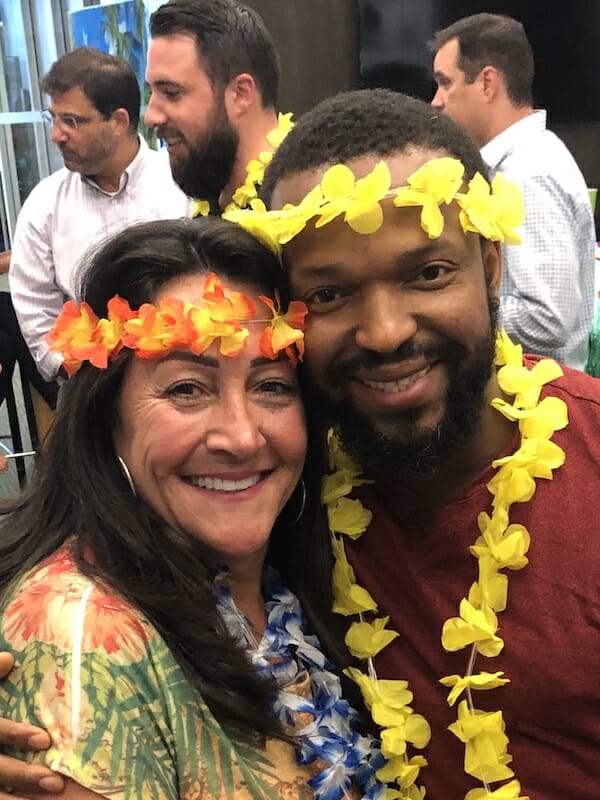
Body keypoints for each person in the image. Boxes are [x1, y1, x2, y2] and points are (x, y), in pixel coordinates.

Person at [4, 90, 600, 799]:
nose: (384, 332)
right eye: (328, 295)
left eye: (429, 273)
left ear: (493, 267)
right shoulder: (304, 473)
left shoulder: (292, 491)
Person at [0, 216, 397, 800]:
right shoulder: (86, 635)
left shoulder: (310, 572)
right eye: (187, 388)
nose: (241, 436)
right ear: (107, 417)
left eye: (271, 386)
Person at [9, 47, 190, 387]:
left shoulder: (183, 185)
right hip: (88, 389)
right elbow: (35, 310)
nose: (56, 135)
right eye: (54, 119)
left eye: (72, 121)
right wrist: (76, 370)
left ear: (119, 121)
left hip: (184, 372)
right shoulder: (44, 205)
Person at [429, 13, 596, 371]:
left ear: (487, 83)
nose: (436, 101)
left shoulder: (525, 173)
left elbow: (546, 321)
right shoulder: (519, 163)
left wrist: (450, 309)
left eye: (445, 83)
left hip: (536, 409)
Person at [145, 0, 289, 210]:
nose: (151, 116)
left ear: (240, 94)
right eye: (151, 92)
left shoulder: (299, 215)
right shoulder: (212, 199)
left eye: (171, 93)